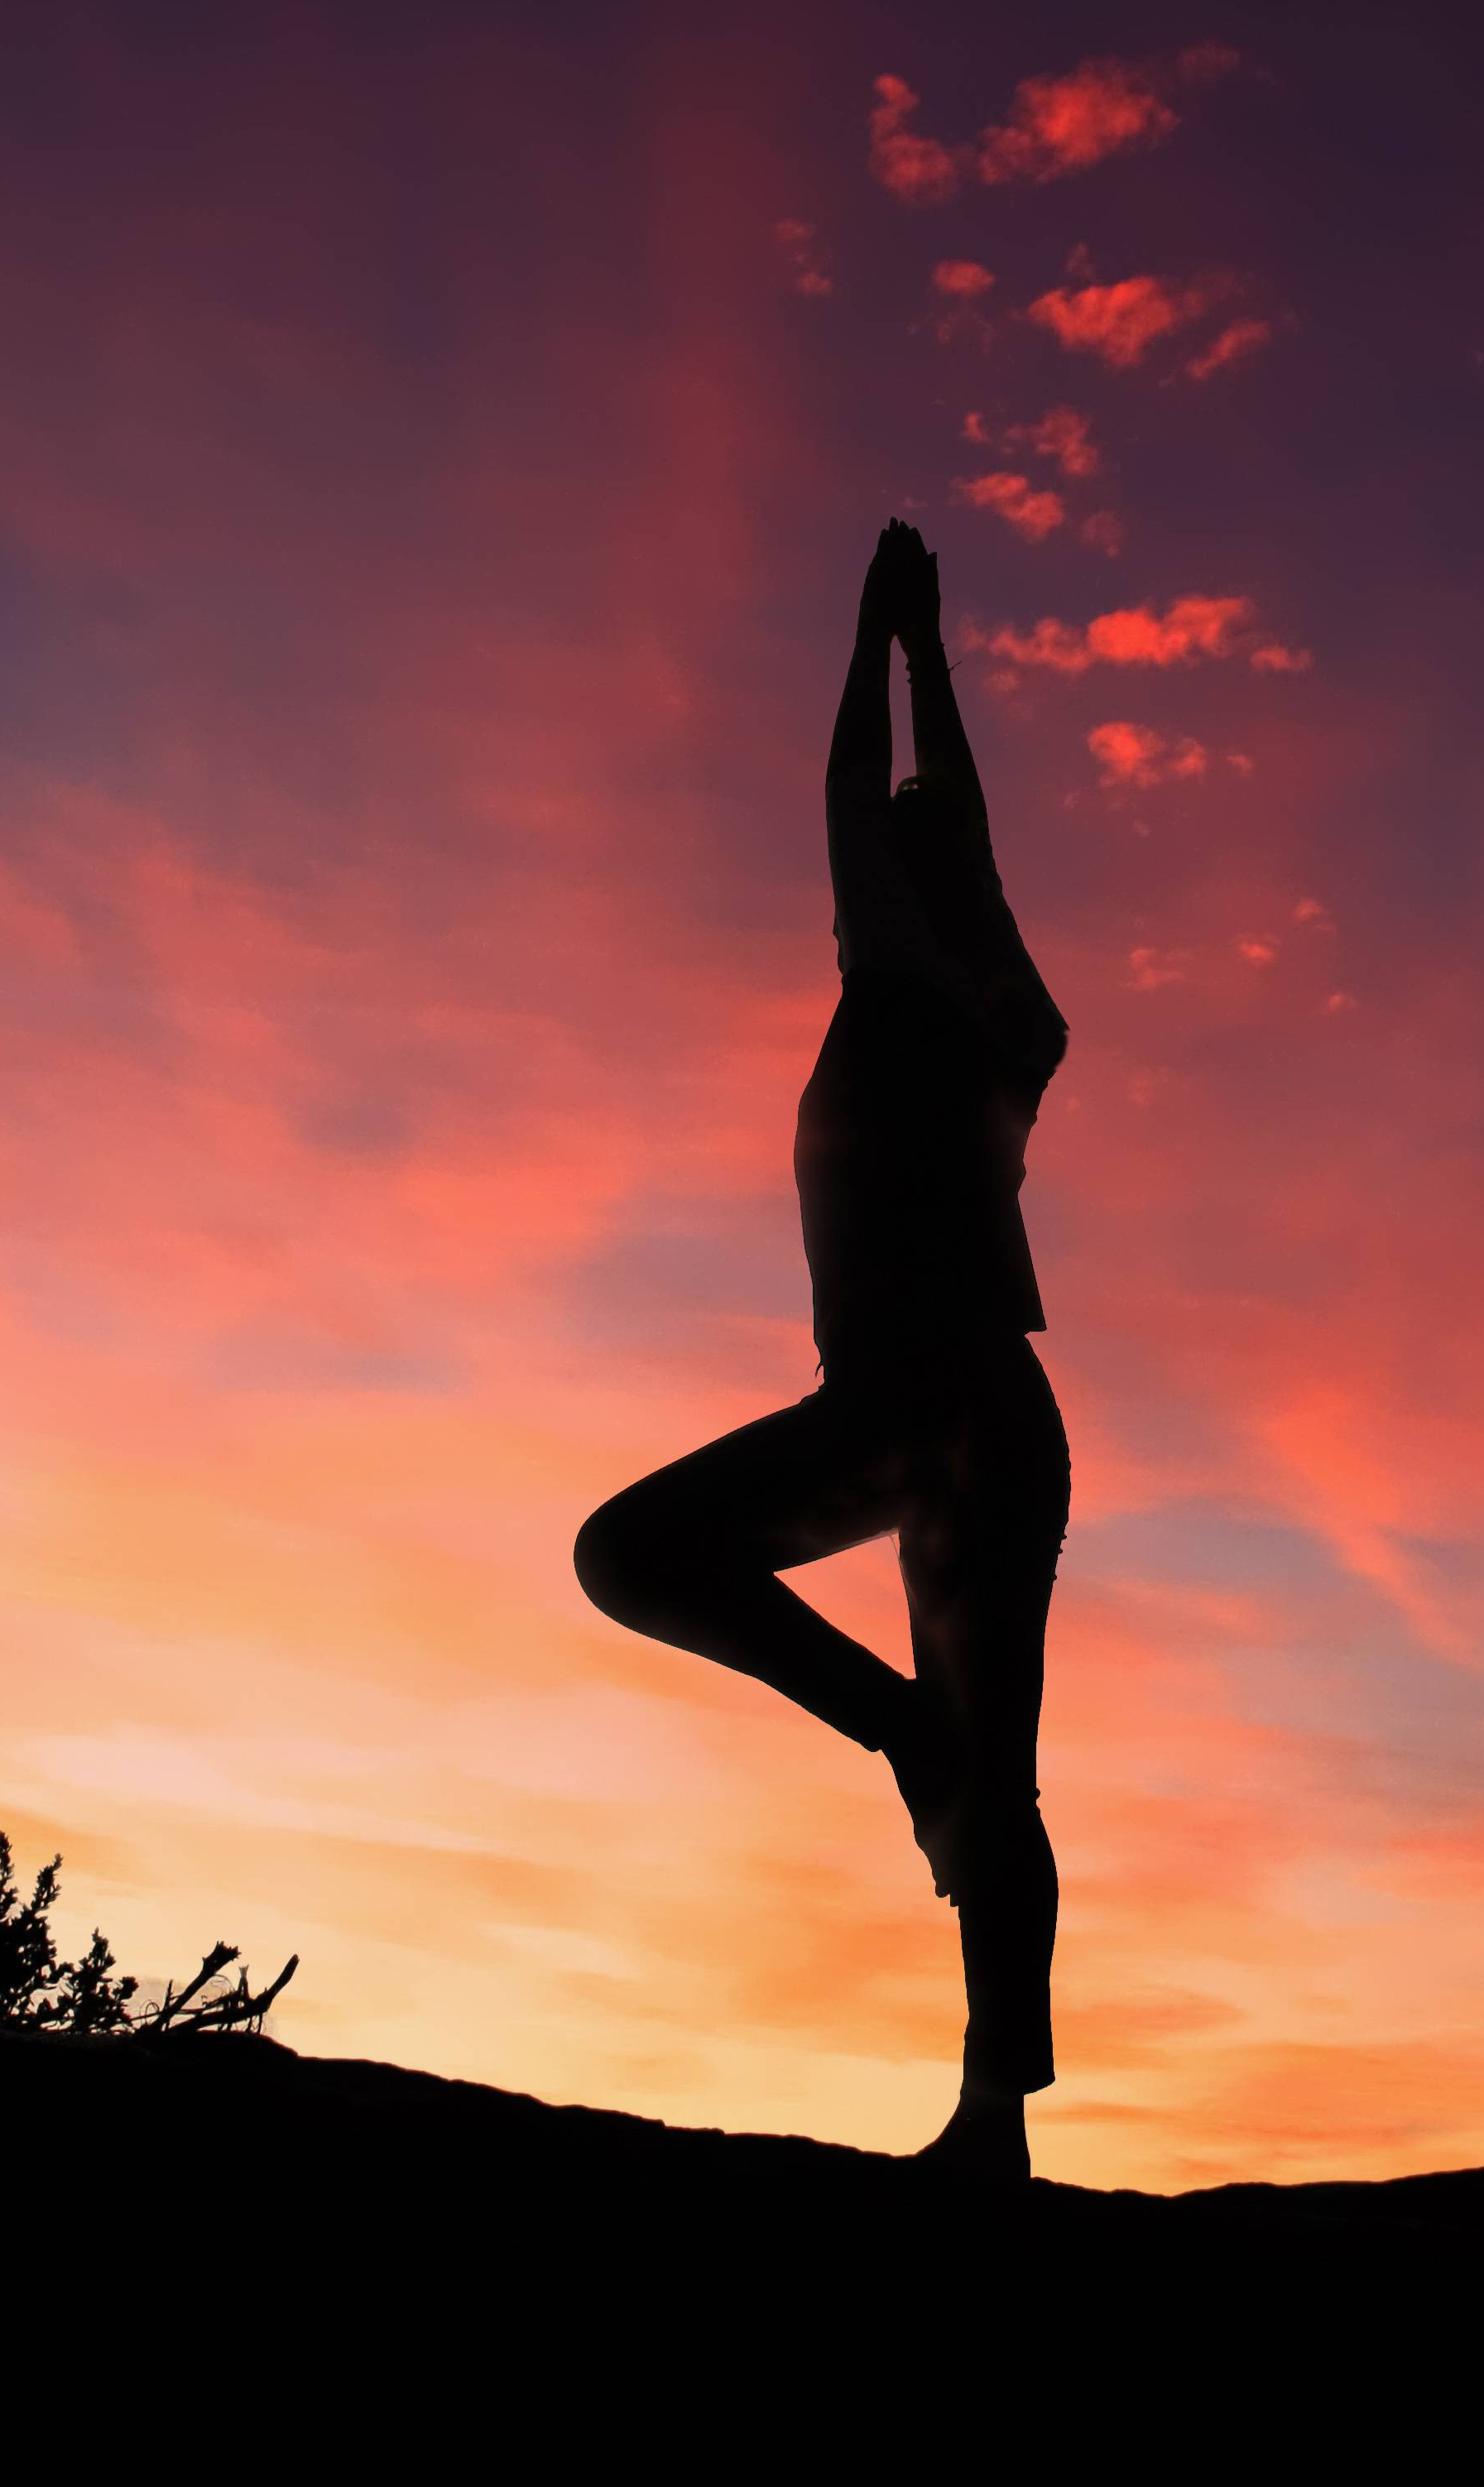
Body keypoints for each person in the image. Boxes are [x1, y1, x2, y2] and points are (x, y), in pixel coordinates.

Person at [574, 518, 1073, 2181]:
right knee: (986, 1760)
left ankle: (990, 2096)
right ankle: (993, 2116)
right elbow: (957, 840)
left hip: (927, 1404)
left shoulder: (922, 985)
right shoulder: (1017, 1025)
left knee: (637, 1552)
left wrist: (889, 650)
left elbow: (883, 809)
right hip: (979, 1412)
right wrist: (929, 662)